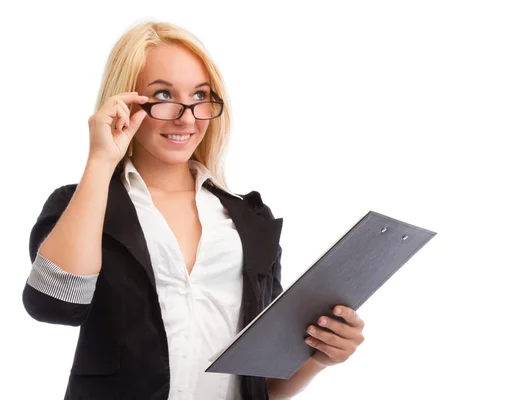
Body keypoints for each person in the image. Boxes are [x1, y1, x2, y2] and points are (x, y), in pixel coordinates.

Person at [22, 20, 366, 400]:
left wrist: (318, 357)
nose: (186, 117)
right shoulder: (85, 206)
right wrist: (102, 160)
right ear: (125, 101)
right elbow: (54, 305)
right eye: (164, 94)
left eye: (200, 95)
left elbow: (259, 384)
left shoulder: (250, 222)